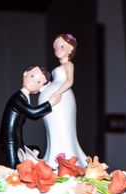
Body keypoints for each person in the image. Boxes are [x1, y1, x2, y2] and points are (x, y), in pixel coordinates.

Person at [38, 33, 87, 168]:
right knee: (53, 129)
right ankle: (52, 158)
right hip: (54, 102)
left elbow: (69, 81)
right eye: (55, 47)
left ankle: (68, 161)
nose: (57, 49)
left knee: (63, 128)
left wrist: (58, 92)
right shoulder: (59, 67)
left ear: (71, 49)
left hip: (62, 99)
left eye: (61, 46)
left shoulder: (68, 65)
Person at [0, 65, 59, 168]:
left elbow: (34, 116)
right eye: (32, 76)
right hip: (9, 140)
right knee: (13, 168)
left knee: (34, 152)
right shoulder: (17, 98)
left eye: (38, 82)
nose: (34, 81)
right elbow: (33, 113)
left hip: (17, 139)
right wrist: (50, 103)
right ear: (25, 74)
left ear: (40, 88)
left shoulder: (25, 98)